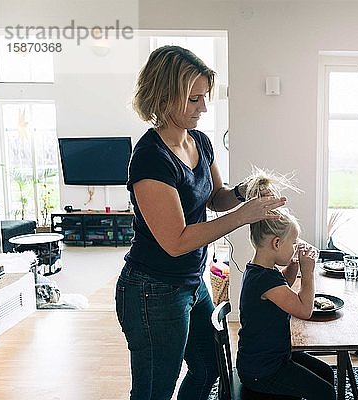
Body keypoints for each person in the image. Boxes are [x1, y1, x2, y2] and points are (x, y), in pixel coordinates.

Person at [115, 45, 286, 400]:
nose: (203, 109)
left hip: (191, 282)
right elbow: (176, 241)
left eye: (204, 97)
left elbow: (216, 197)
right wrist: (243, 217)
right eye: (193, 100)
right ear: (163, 97)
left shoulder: (200, 143)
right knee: (154, 391)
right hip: (152, 290)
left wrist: (243, 193)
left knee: (208, 367)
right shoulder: (149, 159)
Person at [236, 172, 336, 400]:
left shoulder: (259, 271)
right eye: (293, 244)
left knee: (325, 372)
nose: (294, 249)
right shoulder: (265, 280)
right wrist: (308, 273)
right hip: (263, 371)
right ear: (277, 243)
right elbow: (304, 310)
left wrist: (293, 267)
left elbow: (281, 288)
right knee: (326, 393)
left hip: (269, 359)